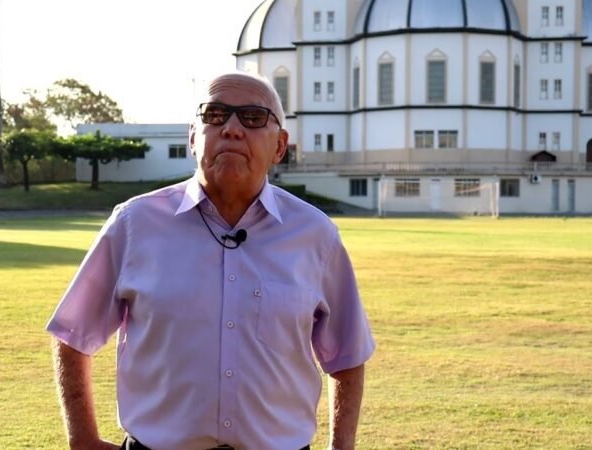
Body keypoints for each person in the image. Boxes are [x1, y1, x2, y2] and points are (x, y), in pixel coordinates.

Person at [47, 72, 375, 450]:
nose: (232, 129)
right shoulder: (134, 224)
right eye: (215, 114)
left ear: (280, 146)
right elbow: (72, 334)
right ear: (192, 136)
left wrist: (342, 446)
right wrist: (82, 439)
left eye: (253, 117)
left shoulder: (315, 235)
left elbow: (347, 353)